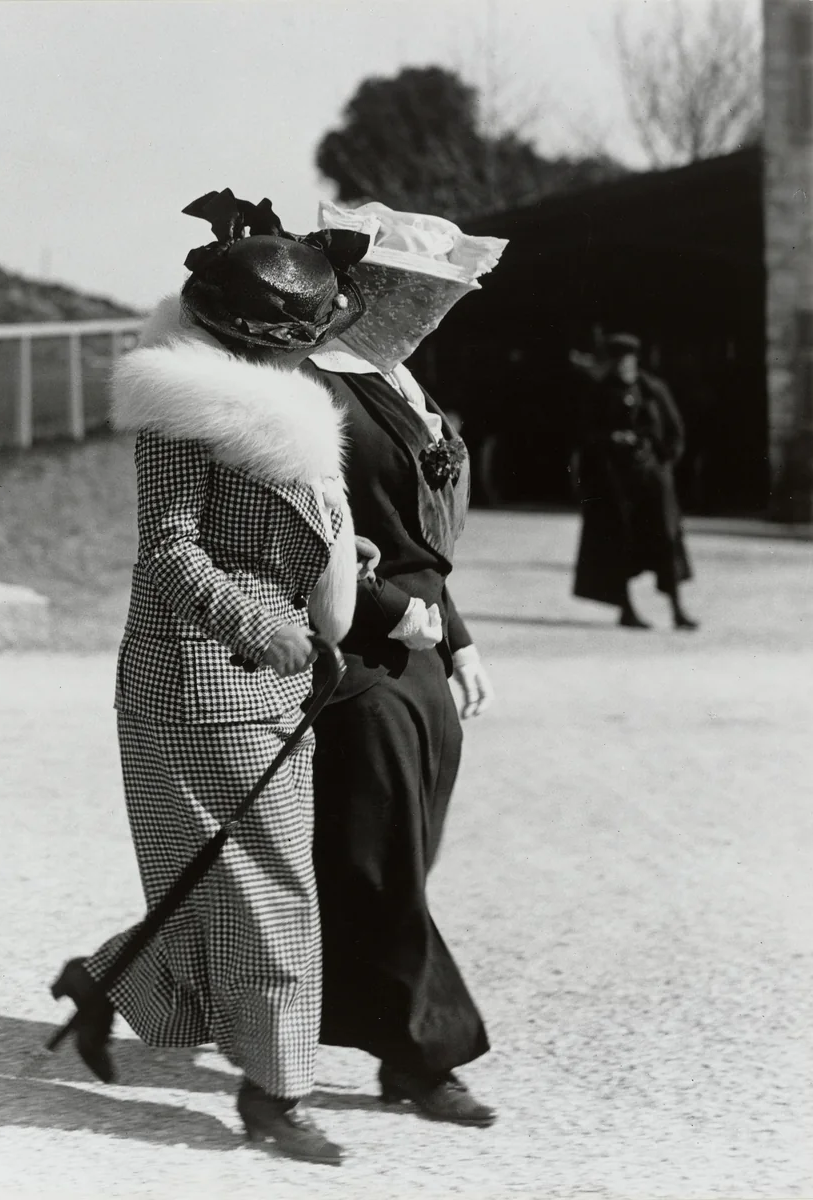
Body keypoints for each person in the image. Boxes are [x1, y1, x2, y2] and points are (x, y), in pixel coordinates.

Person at [50, 189, 370, 1165]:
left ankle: (104, 984)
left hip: (265, 675)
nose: (307, 352)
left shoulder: (278, 403)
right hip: (197, 678)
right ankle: (274, 1096)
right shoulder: (180, 413)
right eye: (298, 337)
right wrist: (271, 628)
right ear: (254, 340)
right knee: (268, 888)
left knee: (224, 886)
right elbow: (168, 555)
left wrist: (320, 615)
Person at [304, 200, 507, 1126]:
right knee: (375, 856)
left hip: (421, 649)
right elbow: (308, 539)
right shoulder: (317, 390)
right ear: (372, 288)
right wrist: (393, 613)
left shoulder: (401, 383)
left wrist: (458, 638)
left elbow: (418, 536)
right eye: (422, 295)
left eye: (449, 299)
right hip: (356, 652)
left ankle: (114, 978)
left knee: (402, 854)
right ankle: (424, 1055)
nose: (437, 314)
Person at [571, 333, 698, 630]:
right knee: (620, 542)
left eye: (628, 360)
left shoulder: (653, 390)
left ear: (635, 361)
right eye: (617, 361)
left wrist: (662, 464)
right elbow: (583, 435)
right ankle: (626, 609)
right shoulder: (599, 393)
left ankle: (678, 610)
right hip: (615, 482)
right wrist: (611, 439)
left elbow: (675, 431)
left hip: (652, 478)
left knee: (666, 540)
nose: (622, 366)